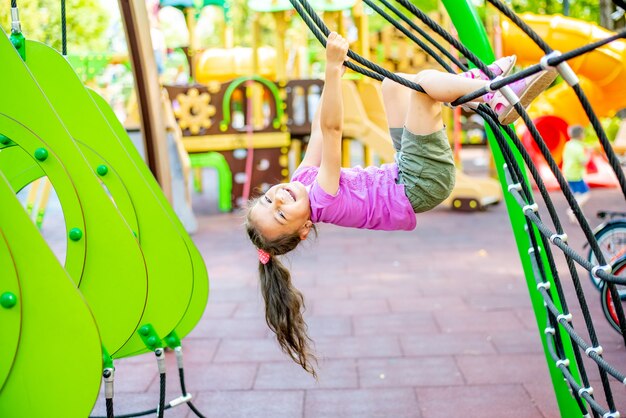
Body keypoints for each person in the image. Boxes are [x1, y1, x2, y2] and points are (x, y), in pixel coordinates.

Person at [245, 32, 557, 376]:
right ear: (304, 229)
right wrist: (332, 70)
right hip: (420, 183)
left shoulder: (301, 181)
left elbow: (319, 132)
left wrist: (334, 77)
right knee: (423, 92)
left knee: (393, 85)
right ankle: (489, 92)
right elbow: (332, 132)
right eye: (280, 213)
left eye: (267, 198)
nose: (277, 198)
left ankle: (478, 91)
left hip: (404, 168)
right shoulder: (321, 198)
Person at [563, 124, 591, 224]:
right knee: (585, 195)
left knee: (577, 196)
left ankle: (580, 218)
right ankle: (572, 210)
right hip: (575, 175)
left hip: (568, 173)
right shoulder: (578, 148)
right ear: (580, 135)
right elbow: (583, 161)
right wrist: (589, 154)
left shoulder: (569, 144)